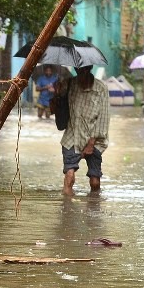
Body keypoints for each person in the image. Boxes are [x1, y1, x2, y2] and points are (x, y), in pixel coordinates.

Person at [59, 65, 110, 195]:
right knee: (69, 176)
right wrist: (58, 93)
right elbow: (57, 109)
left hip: (95, 139)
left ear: (90, 69)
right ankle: (67, 211)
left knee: (95, 182)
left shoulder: (101, 88)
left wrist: (91, 143)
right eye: (78, 70)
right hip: (72, 136)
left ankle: (94, 206)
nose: (81, 73)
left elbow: (103, 119)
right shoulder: (69, 84)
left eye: (84, 70)